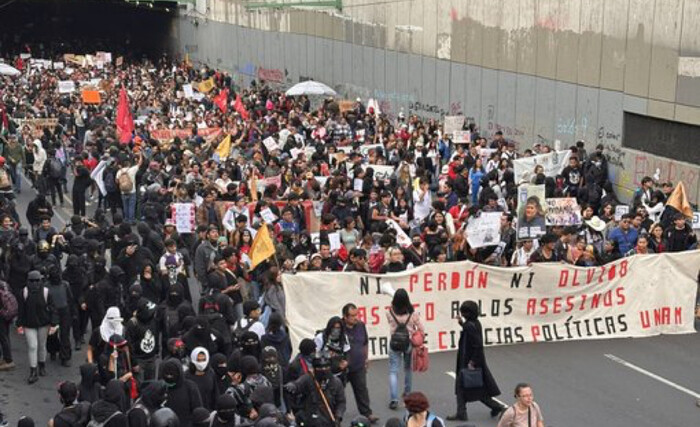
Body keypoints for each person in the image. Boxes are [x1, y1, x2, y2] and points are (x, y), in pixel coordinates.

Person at [447, 300, 507, 421]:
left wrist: (472, 362)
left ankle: (497, 407)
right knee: (468, 388)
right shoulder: (474, 323)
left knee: (469, 388)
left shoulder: (470, 326)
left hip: (469, 361)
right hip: (473, 361)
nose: (462, 314)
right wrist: (461, 323)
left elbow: (477, 345)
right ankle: (462, 412)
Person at [17, 270, 57, 384]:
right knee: (33, 346)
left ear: (41, 281)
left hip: (43, 324)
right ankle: (33, 371)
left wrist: (53, 323)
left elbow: (53, 309)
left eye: (36, 281)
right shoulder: (24, 292)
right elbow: (21, 310)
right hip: (29, 325)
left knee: (41, 345)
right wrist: (19, 324)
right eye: (32, 281)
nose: (34, 283)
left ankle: (42, 364)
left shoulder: (46, 292)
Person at [386, 288, 423, 410]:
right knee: (407, 369)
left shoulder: (389, 312)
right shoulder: (413, 314)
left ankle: (394, 399)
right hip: (408, 344)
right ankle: (407, 393)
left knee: (393, 371)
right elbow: (421, 328)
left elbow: (390, 323)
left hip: (394, 343)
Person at [342, 303, 379, 424]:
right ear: (345, 316)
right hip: (342, 367)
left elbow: (365, 342)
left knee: (362, 389)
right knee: (337, 391)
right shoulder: (339, 327)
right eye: (352, 316)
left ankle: (367, 414)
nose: (355, 318)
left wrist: (366, 358)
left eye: (356, 314)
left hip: (358, 365)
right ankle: (333, 415)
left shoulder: (361, 326)